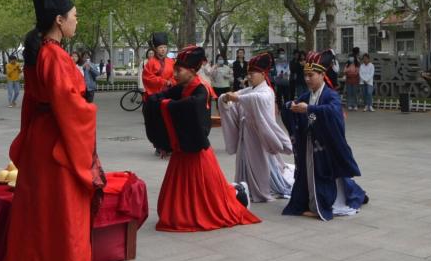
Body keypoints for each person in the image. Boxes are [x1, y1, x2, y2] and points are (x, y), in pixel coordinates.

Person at [1, 0, 104, 261]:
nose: (77, 21)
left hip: (42, 140)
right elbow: (68, 105)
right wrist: (89, 109)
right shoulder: (55, 56)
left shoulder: (40, 53)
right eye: (74, 16)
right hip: (58, 142)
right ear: (59, 20)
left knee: (46, 215)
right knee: (63, 215)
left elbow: (35, 103)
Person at [143, 46, 261, 231]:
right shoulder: (182, 87)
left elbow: (193, 106)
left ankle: (238, 193)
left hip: (197, 148)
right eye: (175, 70)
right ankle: (236, 191)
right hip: (183, 147)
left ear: (191, 71)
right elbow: (164, 96)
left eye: (178, 70)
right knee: (199, 192)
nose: (175, 74)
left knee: (212, 192)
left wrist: (167, 105)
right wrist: (153, 100)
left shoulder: (201, 89)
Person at [282, 50, 369, 220]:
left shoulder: (330, 95)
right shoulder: (307, 95)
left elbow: (334, 112)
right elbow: (305, 112)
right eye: (305, 75)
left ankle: (324, 204)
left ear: (322, 75)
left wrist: (309, 109)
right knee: (309, 174)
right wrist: (290, 106)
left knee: (324, 176)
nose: (307, 79)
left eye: (311, 75)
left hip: (326, 146)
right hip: (310, 144)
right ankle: (313, 201)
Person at [220, 51, 295, 201]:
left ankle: (262, 188)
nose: (249, 77)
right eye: (248, 74)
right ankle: (245, 185)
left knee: (260, 163)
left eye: (252, 74)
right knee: (245, 160)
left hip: (260, 135)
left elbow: (256, 99)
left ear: (262, 74)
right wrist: (225, 98)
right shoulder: (250, 90)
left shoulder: (266, 91)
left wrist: (237, 98)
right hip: (246, 133)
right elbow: (239, 95)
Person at [142, 33, 175, 157]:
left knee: (169, 122)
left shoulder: (171, 62)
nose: (163, 50)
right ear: (155, 49)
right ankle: (159, 146)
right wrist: (163, 82)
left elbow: (175, 75)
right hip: (154, 97)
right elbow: (147, 78)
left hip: (168, 95)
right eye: (160, 47)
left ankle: (170, 145)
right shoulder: (150, 63)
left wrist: (171, 82)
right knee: (156, 123)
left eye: (165, 47)